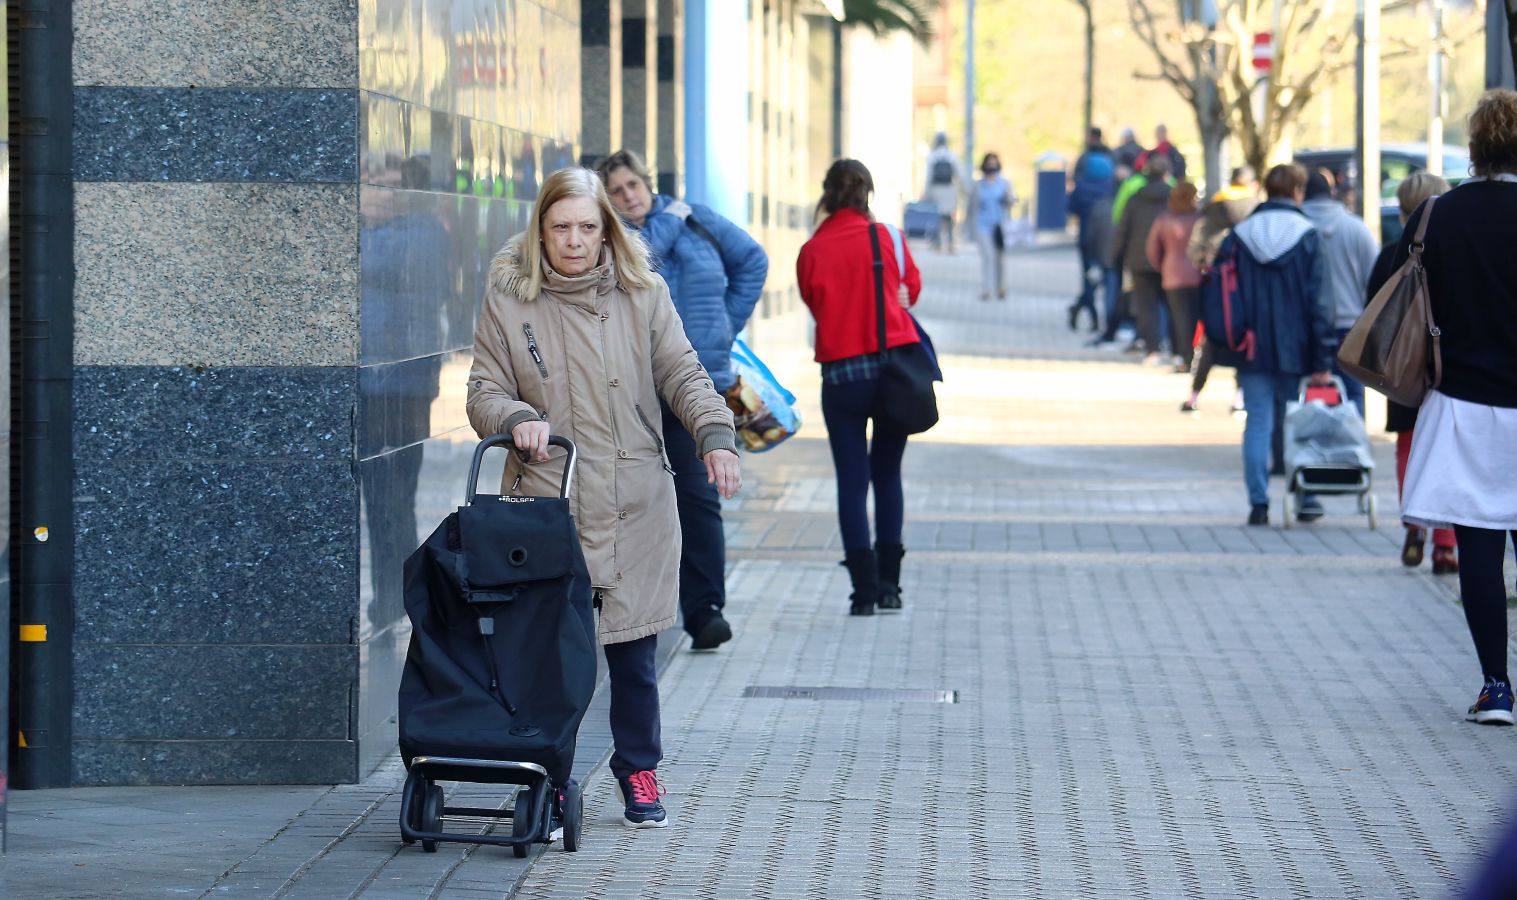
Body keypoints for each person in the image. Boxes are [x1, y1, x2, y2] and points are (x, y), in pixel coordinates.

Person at [466, 167, 743, 827]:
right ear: (541, 229)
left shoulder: (642, 291)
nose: (574, 241)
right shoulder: (510, 298)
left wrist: (715, 436)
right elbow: (481, 389)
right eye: (561, 227)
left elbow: (681, 370)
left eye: (587, 228)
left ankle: (639, 770)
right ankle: (551, 780)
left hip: (634, 494)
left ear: (605, 230)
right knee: (549, 658)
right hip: (548, 500)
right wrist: (512, 418)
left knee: (634, 649)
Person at [595, 149, 769, 652]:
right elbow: (639, 261)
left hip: (700, 383)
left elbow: (752, 260)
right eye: (618, 191)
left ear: (648, 182)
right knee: (634, 499)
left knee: (698, 497)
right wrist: (663, 225)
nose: (631, 197)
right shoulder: (613, 239)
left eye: (635, 185)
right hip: (636, 390)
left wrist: (723, 327)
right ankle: (630, 608)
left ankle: (705, 609)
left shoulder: (694, 218)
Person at [1396, 89, 1517, 726]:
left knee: (1478, 545)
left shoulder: (1437, 216)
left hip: (1465, 401)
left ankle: (1496, 685)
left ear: (1473, 151)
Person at [796, 159, 923, 616]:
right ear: (867, 193)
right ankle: (891, 586)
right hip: (893, 376)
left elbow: (815, 302)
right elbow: (912, 290)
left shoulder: (812, 249)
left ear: (827, 194)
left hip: (842, 378)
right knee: (887, 474)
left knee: (853, 481)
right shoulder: (888, 237)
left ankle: (863, 592)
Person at [1205, 163, 1333, 526]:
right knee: (1298, 420)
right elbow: (1319, 303)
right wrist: (1323, 356)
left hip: (1250, 343)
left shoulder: (1239, 236)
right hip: (1297, 346)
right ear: (1297, 192)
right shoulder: (1308, 236)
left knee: (1257, 421)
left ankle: (1258, 503)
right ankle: (1305, 497)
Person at [1369, 172, 1456, 574]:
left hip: (1402, 367)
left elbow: (1372, 308)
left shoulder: (1391, 252)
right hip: (1446, 364)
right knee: (1448, 453)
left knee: (1406, 445)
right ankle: (1445, 546)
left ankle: (1413, 524)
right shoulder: (1455, 249)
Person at [1300, 168, 1379, 417]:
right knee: (1353, 393)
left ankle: (1308, 449)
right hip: (1351, 325)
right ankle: (1351, 447)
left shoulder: (1296, 230)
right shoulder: (1356, 229)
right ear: (1332, 192)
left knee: (1304, 394)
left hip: (1306, 327)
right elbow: (1375, 281)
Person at [1184, 166, 1259, 413]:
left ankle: (1194, 396)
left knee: (1210, 341)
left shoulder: (1214, 207)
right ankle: (1240, 398)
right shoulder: (1257, 209)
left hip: (1216, 287)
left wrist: (1206, 267)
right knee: (1245, 340)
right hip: (1248, 287)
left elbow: (1195, 248)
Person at [1111, 154, 1174, 363]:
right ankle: (1176, 350)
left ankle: (1152, 350)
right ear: (1166, 174)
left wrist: (1116, 256)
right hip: (1169, 259)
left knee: (1146, 307)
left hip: (1139, 259)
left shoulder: (1135, 197)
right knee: (1172, 305)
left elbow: (1122, 228)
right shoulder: (1174, 197)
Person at [1145, 181, 1203, 373]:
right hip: (1197, 274)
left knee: (1179, 317)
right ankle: (1194, 356)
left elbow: (1152, 249)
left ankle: (1183, 355)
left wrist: (1162, 266)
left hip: (1173, 274)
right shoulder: (1200, 219)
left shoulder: (1164, 219)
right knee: (1195, 317)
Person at [1069, 127, 1117, 330]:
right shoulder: (1112, 187)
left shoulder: (1082, 186)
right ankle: (1096, 314)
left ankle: (1087, 311)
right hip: (1108, 239)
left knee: (1089, 278)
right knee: (1107, 278)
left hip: (1087, 239)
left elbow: (1070, 208)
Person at [969, 153, 1015, 300]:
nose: (991, 167)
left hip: (999, 226)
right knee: (988, 257)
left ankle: (1000, 287)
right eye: (989, 164)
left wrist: (1009, 199)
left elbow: (1010, 201)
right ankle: (986, 289)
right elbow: (971, 207)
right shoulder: (978, 185)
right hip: (982, 226)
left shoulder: (1004, 184)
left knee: (999, 258)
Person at [924, 132, 964, 253]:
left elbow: (928, 176)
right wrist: (963, 190)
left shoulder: (932, 156)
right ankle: (951, 244)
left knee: (937, 218)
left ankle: (937, 244)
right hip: (949, 190)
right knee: (949, 218)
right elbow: (959, 174)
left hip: (936, 189)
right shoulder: (952, 156)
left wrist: (926, 192)